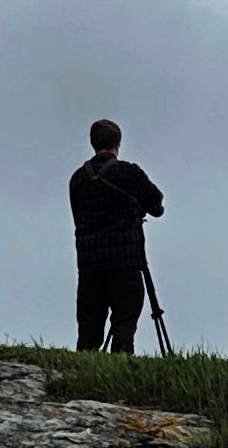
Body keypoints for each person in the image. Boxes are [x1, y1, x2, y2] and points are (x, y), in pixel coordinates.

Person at [69, 118, 166, 354]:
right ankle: (119, 367)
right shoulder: (130, 173)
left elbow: (76, 215)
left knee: (89, 330)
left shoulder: (78, 179)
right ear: (118, 143)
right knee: (124, 323)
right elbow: (156, 203)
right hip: (125, 261)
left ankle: (83, 376)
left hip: (90, 263)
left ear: (93, 143)